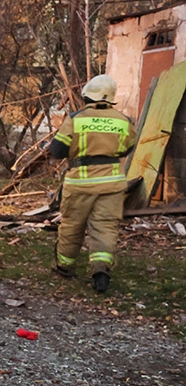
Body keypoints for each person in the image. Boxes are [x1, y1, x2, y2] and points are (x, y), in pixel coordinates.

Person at [48, 74, 136, 293]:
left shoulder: (77, 119)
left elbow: (56, 151)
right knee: (105, 227)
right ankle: (101, 272)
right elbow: (127, 148)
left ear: (87, 96)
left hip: (80, 183)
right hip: (112, 184)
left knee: (72, 226)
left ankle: (64, 267)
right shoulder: (124, 121)